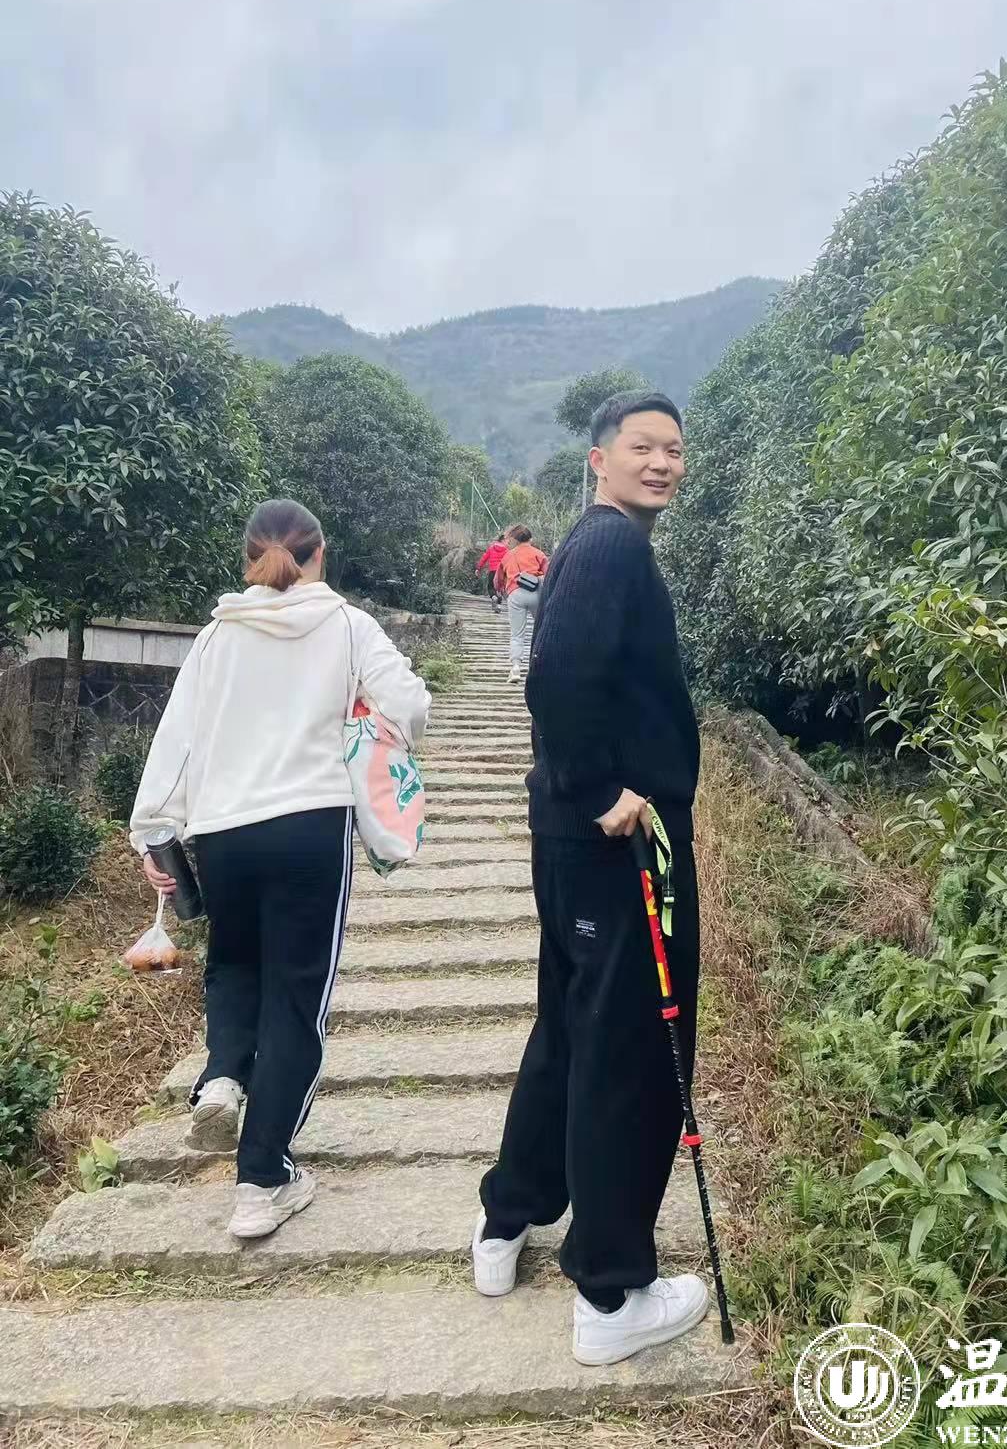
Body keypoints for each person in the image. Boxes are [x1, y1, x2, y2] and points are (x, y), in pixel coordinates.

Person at [474, 391, 705, 1366]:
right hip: (620, 839)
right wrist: (601, 786)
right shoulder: (612, 547)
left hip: (576, 841)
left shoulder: (592, 543)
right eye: (642, 446)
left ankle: (509, 1217)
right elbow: (556, 676)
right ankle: (611, 1292)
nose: (662, 462)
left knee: (571, 1025)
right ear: (599, 459)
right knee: (633, 1048)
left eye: (674, 449)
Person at [129, 499, 430, 1240]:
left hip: (222, 832)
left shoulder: (217, 634)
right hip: (309, 828)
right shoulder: (348, 626)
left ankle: (222, 1077)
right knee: (297, 998)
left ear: (248, 558)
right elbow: (410, 706)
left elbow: (177, 740)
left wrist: (151, 833)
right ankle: (263, 1179)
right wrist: (362, 718)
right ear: (320, 553)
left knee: (234, 964)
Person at [496, 524, 548, 685]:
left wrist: (501, 591)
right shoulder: (539, 554)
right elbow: (550, 574)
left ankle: (516, 668)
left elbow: (497, 580)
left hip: (515, 593)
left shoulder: (508, 556)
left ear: (514, 539)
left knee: (517, 634)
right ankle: (540, 666)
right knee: (541, 630)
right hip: (537, 592)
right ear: (530, 539)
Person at [475, 533, 509, 613]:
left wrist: (478, 568)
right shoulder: (506, 551)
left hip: (492, 571)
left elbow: (484, 558)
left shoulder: (491, 548)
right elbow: (509, 562)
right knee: (500, 588)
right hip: (501, 572)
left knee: (491, 587)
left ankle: (493, 597)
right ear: (502, 540)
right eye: (506, 540)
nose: (508, 542)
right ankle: (499, 606)